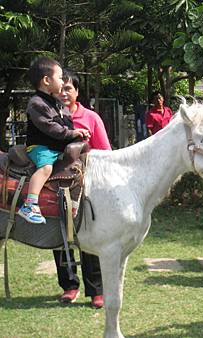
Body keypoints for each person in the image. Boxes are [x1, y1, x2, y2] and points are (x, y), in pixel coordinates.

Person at [54, 69, 111, 308]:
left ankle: (96, 290)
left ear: (77, 92)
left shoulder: (91, 118)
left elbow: (105, 152)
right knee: (60, 235)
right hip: (56, 184)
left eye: (69, 88)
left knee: (87, 234)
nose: (64, 93)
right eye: (61, 88)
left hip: (87, 188)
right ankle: (69, 285)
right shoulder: (50, 117)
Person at [18, 57, 90, 224]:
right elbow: (51, 128)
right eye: (59, 78)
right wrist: (71, 134)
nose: (62, 81)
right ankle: (30, 204)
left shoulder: (57, 104)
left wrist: (78, 133)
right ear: (46, 81)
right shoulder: (37, 103)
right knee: (46, 168)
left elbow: (67, 123)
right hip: (40, 147)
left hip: (54, 147)